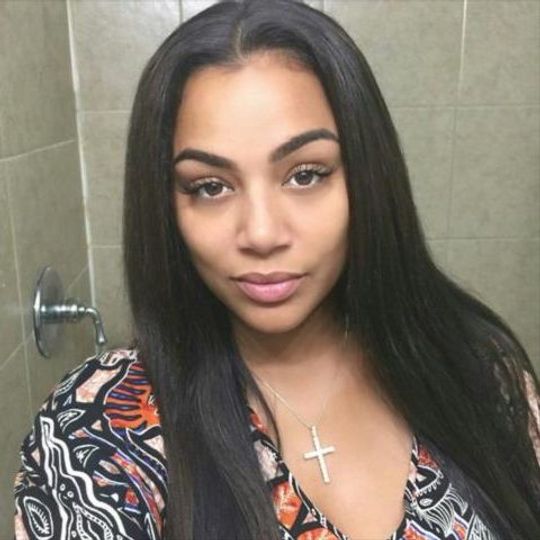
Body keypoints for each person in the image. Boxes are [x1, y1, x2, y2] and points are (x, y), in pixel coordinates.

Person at [12, 0, 540, 539]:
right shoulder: (98, 429)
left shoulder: (477, 370)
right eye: (210, 187)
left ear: (367, 178)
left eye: (305, 175)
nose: (262, 234)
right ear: (166, 207)